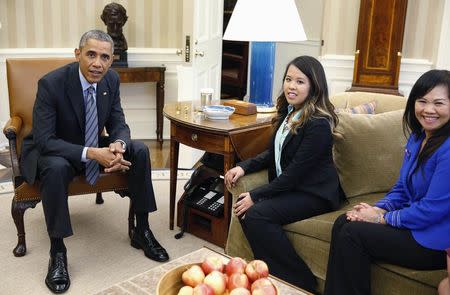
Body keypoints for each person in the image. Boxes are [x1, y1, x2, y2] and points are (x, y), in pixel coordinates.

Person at [20, 30, 169, 294]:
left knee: (140, 151)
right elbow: (45, 140)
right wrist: (92, 153)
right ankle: (58, 252)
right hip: (54, 150)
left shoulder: (110, 80)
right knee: (55, 168)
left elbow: (118, 123)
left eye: (104, 57)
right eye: (91, 54)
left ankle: (142, 231)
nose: (97, 63)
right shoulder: (51, 84)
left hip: (90, 144)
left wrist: (118, 147)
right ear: (77, 54)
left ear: (112, 60)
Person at [324, 69, 450, 295]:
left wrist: (383, 218)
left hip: (435, 240)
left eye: (439, 103)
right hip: (417, 225)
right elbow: (402, 188)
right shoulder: (418, 137)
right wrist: (376, 208)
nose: (429, 110)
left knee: (353, 234)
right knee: (344, 222)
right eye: (422, 101)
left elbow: (432, 210)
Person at [224, 55, 344, 292]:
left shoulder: (318, 123)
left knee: (256, 213)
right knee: (249, 212)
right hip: (294, 188)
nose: (291, 86)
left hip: (315, 193)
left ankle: (301, 283)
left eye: (300, 81)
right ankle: (270, 275)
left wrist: (256, 195)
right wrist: (243, 166)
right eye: (288, 79)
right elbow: (273, 153)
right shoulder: (290, 113)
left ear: (314, 86)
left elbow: (295, 173)